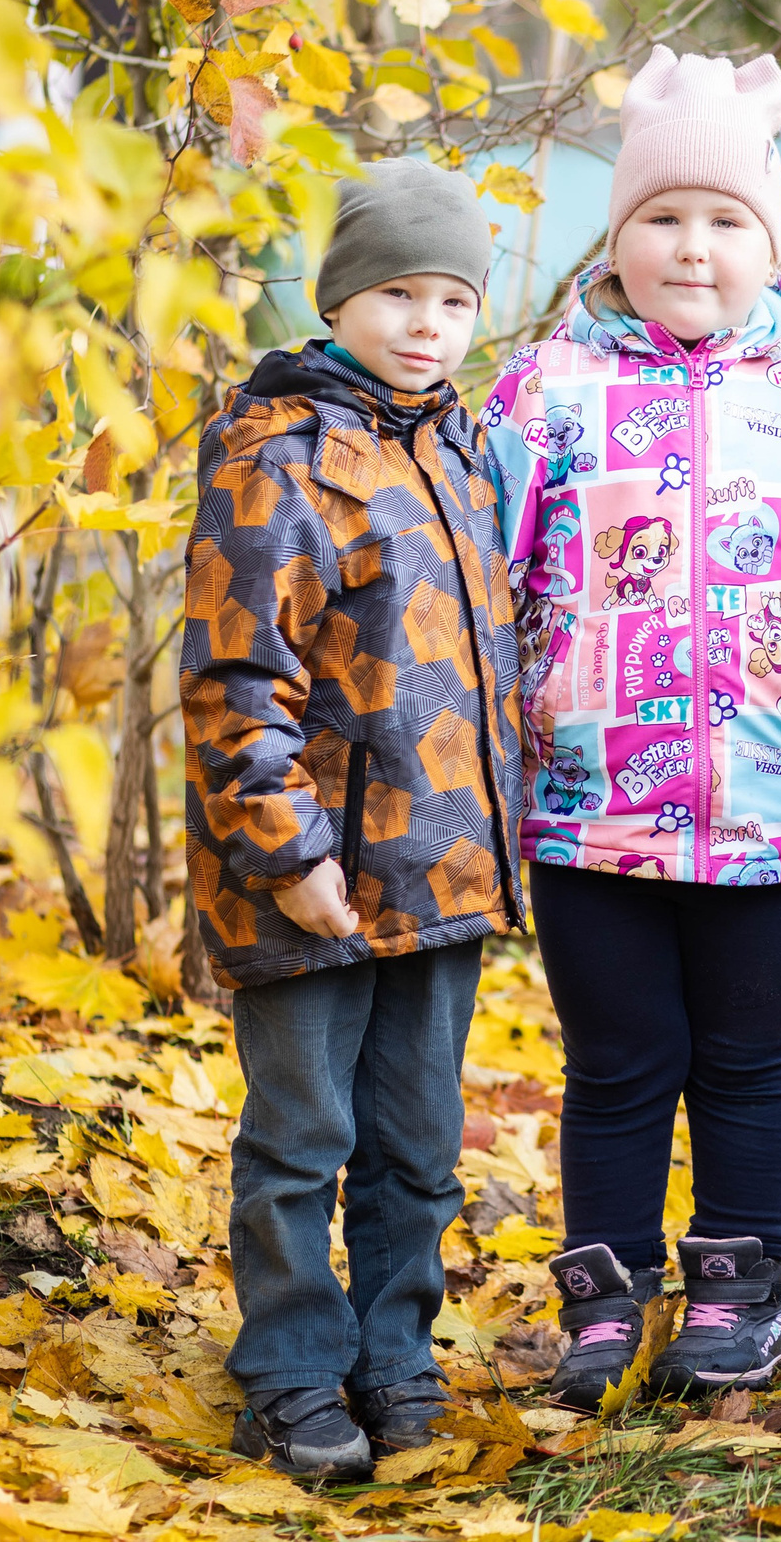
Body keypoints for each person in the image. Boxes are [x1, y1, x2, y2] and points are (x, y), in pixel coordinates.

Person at [481, 46, 781, 1407]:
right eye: (663, 217)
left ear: (767, 238)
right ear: (617, 235)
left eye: (725, 221)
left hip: (769, 809)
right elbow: (477, 584)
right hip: (587, 804)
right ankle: (606, 1301)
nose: (692, 247)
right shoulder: (543, 394)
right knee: (615, 1066)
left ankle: (742, 1285)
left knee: (745, 1059)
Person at [181, 156, 524, 1480]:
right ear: (338, 300)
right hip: (312, 872)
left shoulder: (463, 444)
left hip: (438, 867)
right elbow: (234, 669)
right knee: (301, 1135)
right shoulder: (277, 454)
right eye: (396, 292)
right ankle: (290, 1367)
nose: (427, 321)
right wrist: (284, 849)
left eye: (451, 296)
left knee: (418, 1138)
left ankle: (395, 1351)